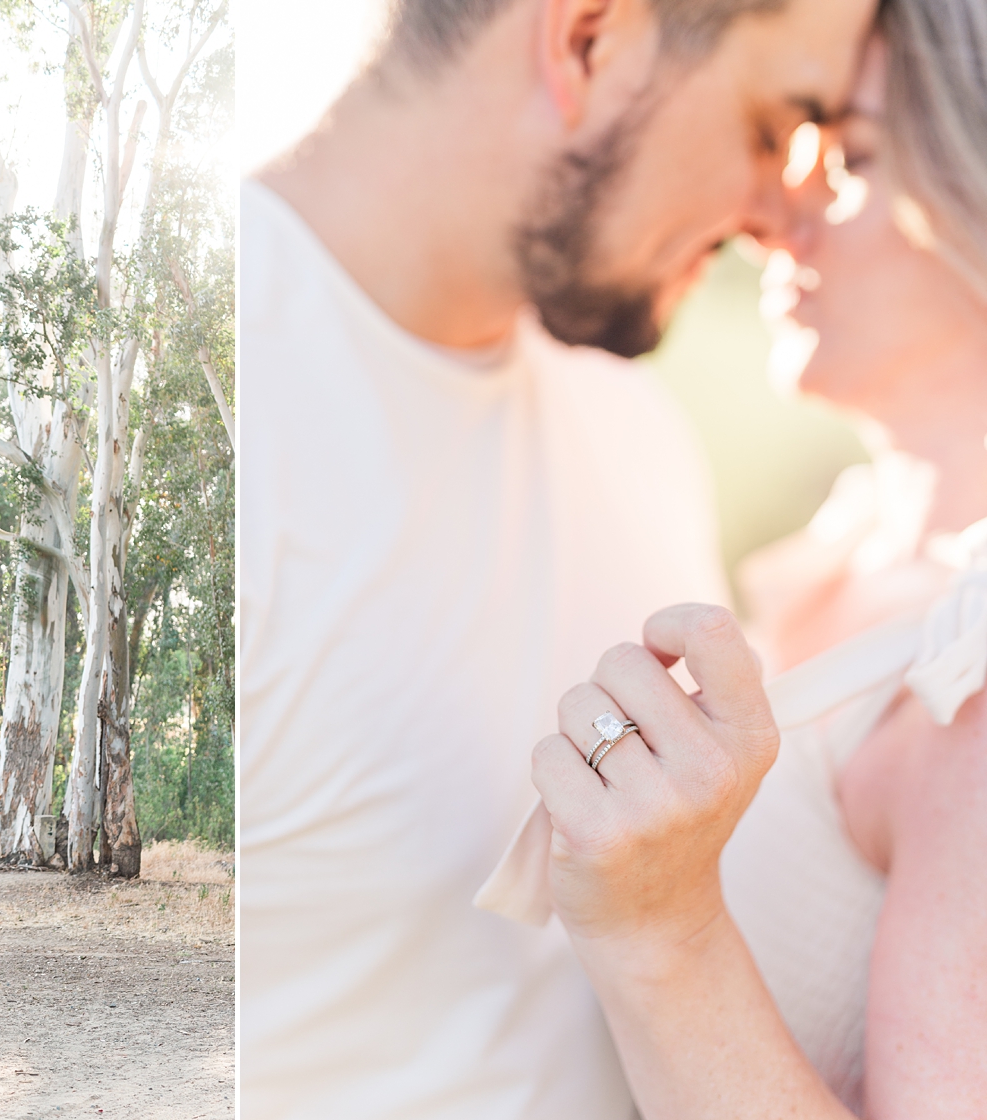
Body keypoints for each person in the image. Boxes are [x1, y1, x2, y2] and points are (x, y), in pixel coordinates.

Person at [240, 0, 873, 1115]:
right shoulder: (208, 420)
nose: (791, 213)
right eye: (778, 126)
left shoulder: (635, 431)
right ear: (588, 39)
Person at [492, 4, 987, 1116]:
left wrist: (665, 932)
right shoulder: (843, 556)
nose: (775, 213)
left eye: (849, 155)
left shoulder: (971, 683)